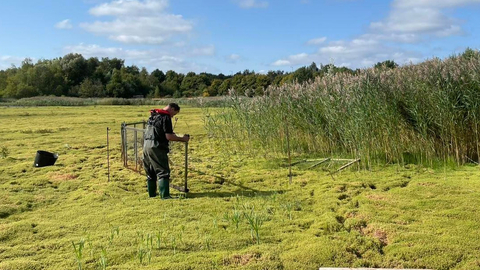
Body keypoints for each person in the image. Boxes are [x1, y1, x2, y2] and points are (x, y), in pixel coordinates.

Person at [143, 103, 190, 199]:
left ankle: (152, 194)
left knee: (150, 171)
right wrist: (183, 139)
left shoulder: (153, 115)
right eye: (174, 114)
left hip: (146, 145)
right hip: (157, 146)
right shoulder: (166, 117)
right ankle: (165, 195)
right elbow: (169, 136)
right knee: (163, 171)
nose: (172, 116)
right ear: (172, 109)